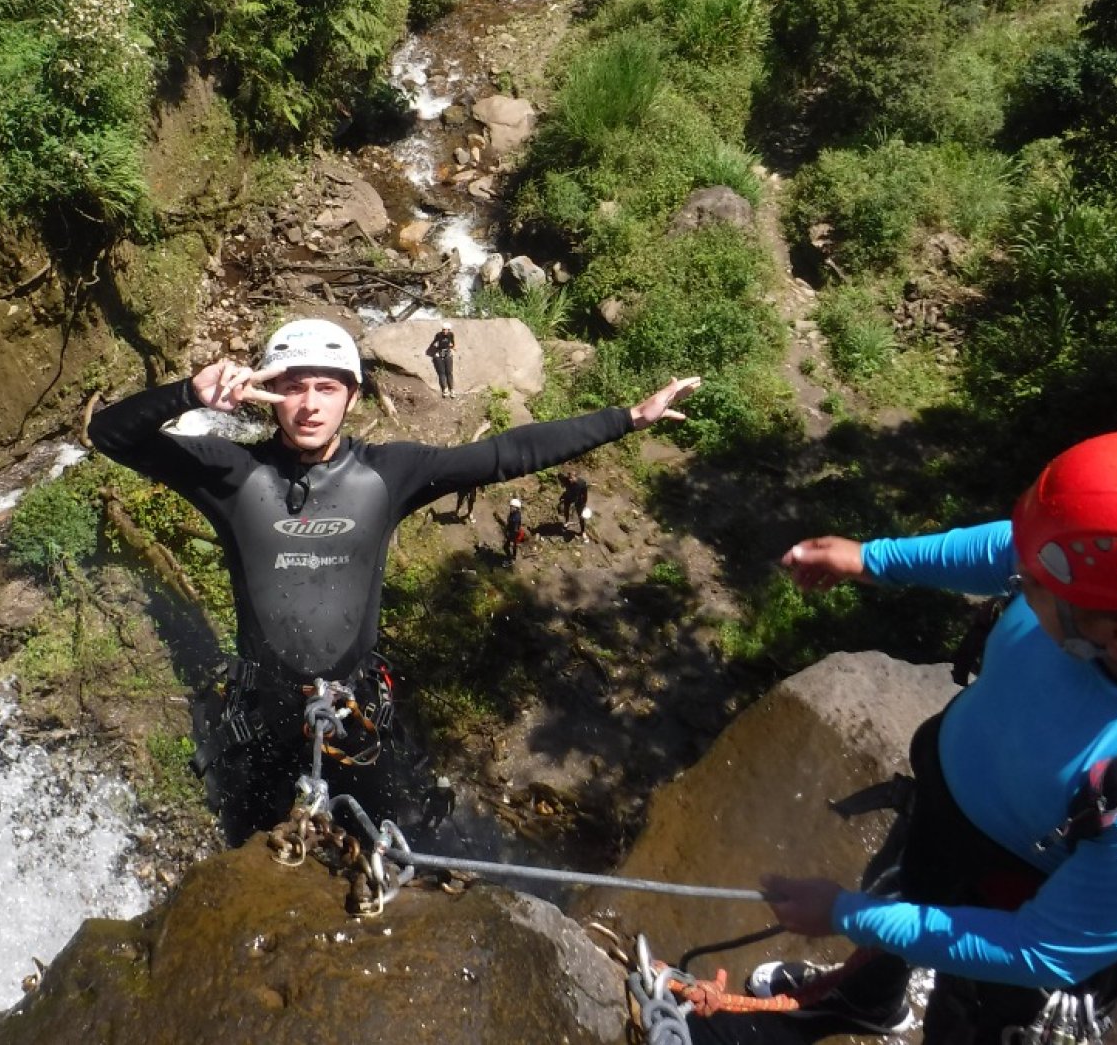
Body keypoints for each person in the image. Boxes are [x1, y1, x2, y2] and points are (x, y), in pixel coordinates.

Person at [87, 316, 699, 843]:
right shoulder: (230, 472)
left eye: (327, 388)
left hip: (356, 714)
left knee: (385, 847)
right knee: (253, 864)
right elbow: (108, 434)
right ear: (265, 395)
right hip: (261, 720)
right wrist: (188, 394)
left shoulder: (389, 473)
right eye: (292, 388)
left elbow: (505, 453)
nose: (309, 404)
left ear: (351, 398)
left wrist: (628, 418)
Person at [752, 430, 1117, 1042]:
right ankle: (866, 1002)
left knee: (971, 1018)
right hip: (950, 807)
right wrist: (873, 560)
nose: (1016, 576)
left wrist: (847, 916)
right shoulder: (1112, 594)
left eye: (1032, 583)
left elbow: (1039, 952)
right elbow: (1015, 546)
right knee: (898, 893)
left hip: (1026, 892)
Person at [426, 325, 457, 397]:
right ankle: (445, 389)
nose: (445, 331)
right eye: (443, 329)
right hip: (439, 354)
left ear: (449, 330)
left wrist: (453, 348)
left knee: (449, 372)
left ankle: (452, 389)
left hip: (448, 353)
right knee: (442, 372)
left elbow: (453, 342)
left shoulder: (451, 334)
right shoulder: (438, 335)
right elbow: (433, 343)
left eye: (446, 330)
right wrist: (435, 352)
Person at [503, 497, 527, 562]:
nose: (510, 508)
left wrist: (510, 537)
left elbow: (515, 529)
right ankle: (512, 557)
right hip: (512, 534)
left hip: (513, 535)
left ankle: (511, 558)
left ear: (516, 508)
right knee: (511, 547)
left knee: (507, 547)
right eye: (510, 506)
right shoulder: (513, 514)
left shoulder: (516, 518)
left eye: (512, 507)